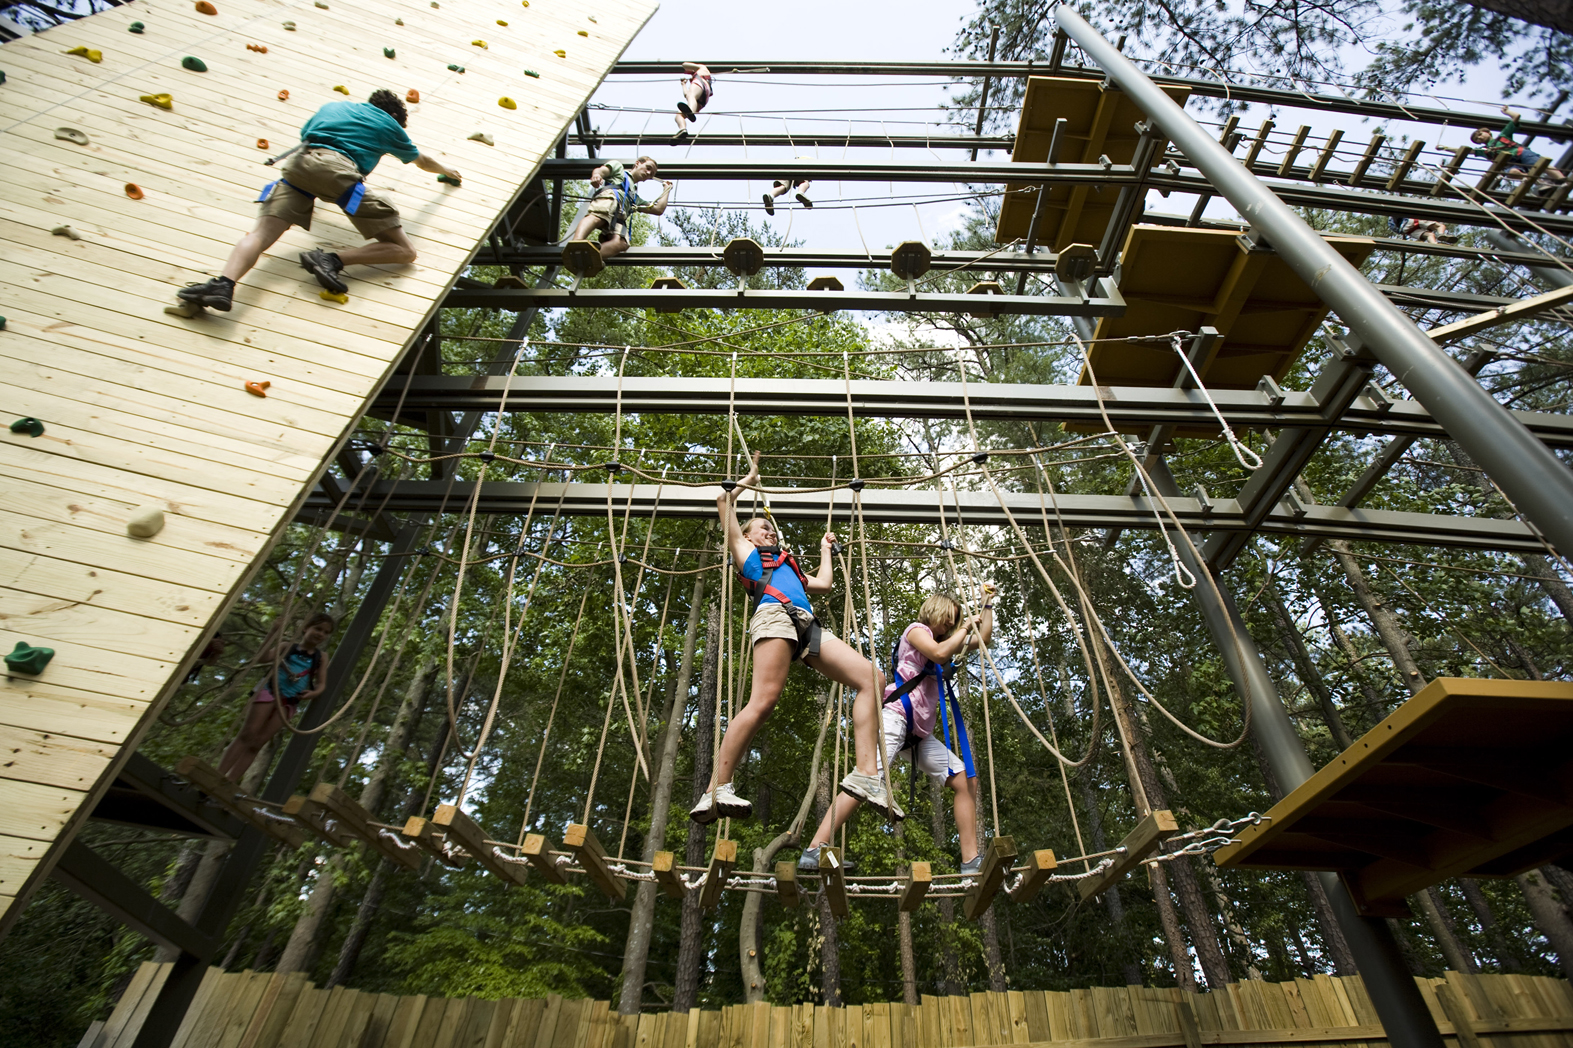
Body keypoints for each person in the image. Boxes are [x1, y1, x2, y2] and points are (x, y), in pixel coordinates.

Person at [691, 452, 896, 823]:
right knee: (764, 701)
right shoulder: (745, 551)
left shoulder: (792, 568)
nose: (768, 532)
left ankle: (866, 774)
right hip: (773, 615)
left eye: (771, 529)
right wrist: (749, 478)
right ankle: (716, 788)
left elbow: (825, 583)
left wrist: (823, 549)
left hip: (806, 624)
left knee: (873, 679)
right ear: (748, 535)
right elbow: (723, 501)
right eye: (761, 528)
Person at [176, 90, 461, 312]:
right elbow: (421, 161)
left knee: (260, 235)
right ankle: (330, 259)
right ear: (396, 117)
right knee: (405, 251)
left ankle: (223, 284)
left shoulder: (333, 107)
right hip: (340, 178)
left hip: (297, 168)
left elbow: (309, 140)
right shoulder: (390, 125)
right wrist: (447, 171)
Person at [797, 589, 995, 876]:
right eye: (947, 621)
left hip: (918, 734)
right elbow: (939, 654)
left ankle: (970, 860)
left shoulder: (946, 641)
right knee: (867, 781)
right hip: (897, 717)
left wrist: (987, 604)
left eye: (953, 623)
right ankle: (816, 848)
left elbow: (984, 639)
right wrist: (965, 627)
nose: (949, 628)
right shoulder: (916, 631)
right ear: (936, 613)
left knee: (963, 780)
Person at [217, 612, 335, 781]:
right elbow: (262, 658)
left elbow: (321, 683)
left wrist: (313, 693)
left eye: (325, 632)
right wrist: (273, 632)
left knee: (257, 743)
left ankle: (230, 780)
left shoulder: (321, 657)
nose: (321, 634)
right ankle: (218, 773)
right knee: (247, 734)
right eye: (318, 629)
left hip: (289, 702)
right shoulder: (286, 647)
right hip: (270, 692)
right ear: (305, 628)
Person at [565, 156, 673, 261]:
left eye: (652, 174)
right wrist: (596, 175)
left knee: (621, 243)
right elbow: (601, 170)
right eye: (648, 168)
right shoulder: (619, 170)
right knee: (598, 217)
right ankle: (577, 242)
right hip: (610, 200)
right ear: (638, 163)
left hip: (619, 216)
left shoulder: (634, 196)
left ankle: (591, 258)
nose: (648, 173)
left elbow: (658, 209)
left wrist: (666, 190)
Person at [1470, 106, 1566, 185]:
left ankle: (1562, 179)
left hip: (1521, 153)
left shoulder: (1503, 135)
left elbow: (1516, 116)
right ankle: (1542, 184)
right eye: (1477, 139)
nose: (1480, 138)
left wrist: (1507, 112)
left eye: (1480, 134)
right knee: (1512, 173)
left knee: (1540, 164)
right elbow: (1468, 151)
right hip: (1510, 163)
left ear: (1488, 132)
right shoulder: (1485, 150)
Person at [672, 61, 713, 144]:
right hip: (703, 99)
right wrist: (683, 84)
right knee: (678, 116)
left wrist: (693, 68)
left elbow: (684, 65)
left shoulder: (702, 68)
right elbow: (687, 95)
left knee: (691, 96)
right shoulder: (695, 81)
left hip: (701, 83)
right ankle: (682, 129)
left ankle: (690, 110)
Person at [1388, 215, 1454, 245]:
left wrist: (1401, 231)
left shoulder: (1390, 220)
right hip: (1412, 221)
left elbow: (1394, 229)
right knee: (1440, 226)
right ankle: (1441, 234)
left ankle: (1434, 244)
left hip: (1406, 230)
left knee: (1430, 235)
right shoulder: (1397, 212)